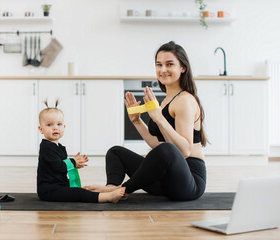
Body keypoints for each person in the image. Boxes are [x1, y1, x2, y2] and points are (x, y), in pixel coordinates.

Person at [84, 41, 207, 201]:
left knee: (167, 149)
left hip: (189, 182)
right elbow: (157, 145)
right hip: (165, 181)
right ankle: (111, 189)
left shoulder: (185, 100)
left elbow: (184, 151)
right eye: (159, 64)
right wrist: (136, 121)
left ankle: (122, 190)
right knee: (116, 152)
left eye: (169, 64)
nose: (163, 70)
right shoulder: (166, 100)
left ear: (183, 67)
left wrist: (158, 117)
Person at [37, 99, 126, 203]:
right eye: (49, 125)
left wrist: (74, 162)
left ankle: (105, 192)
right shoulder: (46, 147)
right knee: (78, 193)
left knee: (82, 190)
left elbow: (62, 166)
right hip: (49, 190)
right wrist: (74, 162)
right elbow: (58, 166)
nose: (55, 128)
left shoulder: (59, 147)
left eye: (59, 124)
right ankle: (108, 197)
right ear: (41, 129)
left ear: (64, 127)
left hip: (59, 185)